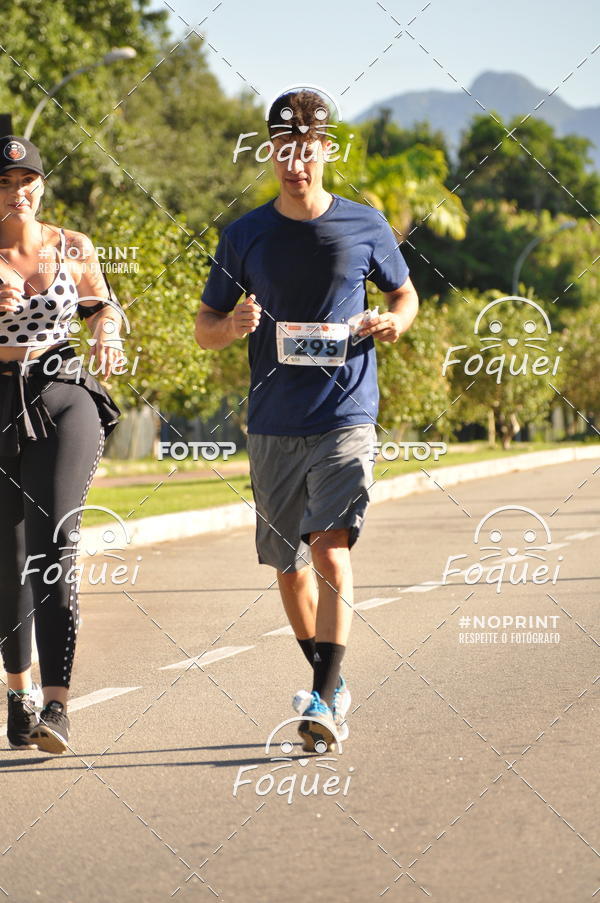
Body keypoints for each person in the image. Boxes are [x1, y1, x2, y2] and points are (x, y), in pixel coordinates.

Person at [195, 90, 418, 751]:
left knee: (328, 546)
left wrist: (392, 321)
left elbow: (403, 293)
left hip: (346, 410)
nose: (296, 162)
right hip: (272, 420)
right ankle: (328, 679)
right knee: (287, 564)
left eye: (307, 148)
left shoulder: (365, 225)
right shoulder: (244, 235)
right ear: (272, 152)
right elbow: (204, 327)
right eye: (283, 150)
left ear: (327, 149)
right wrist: (230, 325)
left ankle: (323, 696)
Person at [0, 134, 122, 754]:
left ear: (41, 185)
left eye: (27, 181)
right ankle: (18, 691)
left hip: (62, 391)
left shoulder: (72, 247)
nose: (17, 192)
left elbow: (104, 308)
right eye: (4, 183)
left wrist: (109, 333)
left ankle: (57, 705)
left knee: (56, 540)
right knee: (7, 553)